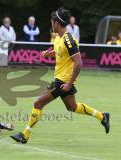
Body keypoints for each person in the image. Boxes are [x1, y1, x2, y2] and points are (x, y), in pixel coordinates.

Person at [11, 8, 110, 144]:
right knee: (72, 107)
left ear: (56, 22)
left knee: (38, 102)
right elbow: (59, 51)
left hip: (63, 82)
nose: (51, 24)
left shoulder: (69, 40)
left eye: (52, 22)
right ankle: (102, 116)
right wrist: (48, 54)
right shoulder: (58, 37)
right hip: (60, 79)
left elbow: (79, 63)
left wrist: (69, 84)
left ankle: (25, 135)